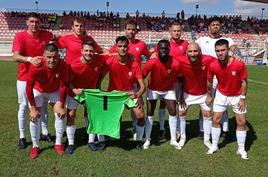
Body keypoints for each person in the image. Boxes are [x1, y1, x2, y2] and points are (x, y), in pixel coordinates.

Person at [12, 12, 53, 149]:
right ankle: (22, 136)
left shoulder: (47, 35)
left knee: (43, 105)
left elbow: (57, 39)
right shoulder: (20, 36)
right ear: (27, 22)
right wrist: (30, 59)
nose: (34, 24)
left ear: (40, 23)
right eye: (31, 21)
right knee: (24, 106)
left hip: (42, 78)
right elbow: (15, 56)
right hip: (24, 77)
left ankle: (44, 132)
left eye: (37, 22)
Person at [196, 16, 238, 139]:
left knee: (222, 104)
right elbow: (191, 48)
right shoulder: (201, 40)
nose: (215, 26)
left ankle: (225, 130)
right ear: (209, 26)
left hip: (222, 77)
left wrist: (235, 52)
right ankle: (202, 129)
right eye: (213, 24)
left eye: (217, 25)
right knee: (205, 104)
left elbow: (233, 48)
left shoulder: (227, 39)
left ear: (220, 27)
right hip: (206, 77)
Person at [206, 39, 248, 160]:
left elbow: (244, 82)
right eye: (217, 51)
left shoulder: (239, 64)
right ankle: (214, 146)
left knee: (241, 121)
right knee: (216, 119)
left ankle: (241, 149)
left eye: (223, 50)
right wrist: (209, 95)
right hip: (221, 95)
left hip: (237, 95)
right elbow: (209, 80)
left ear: (228, 50)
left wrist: (243, 98)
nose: (220, 53)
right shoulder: (213, 65)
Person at [109, 19, 151, 140]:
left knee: (137, 108)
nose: (131, 31)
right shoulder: (119, 44)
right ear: (125, 30)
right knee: (117, 110)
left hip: (135, 82)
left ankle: (135, 130)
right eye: (129, 29)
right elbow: (110, 56)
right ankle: (115, 130)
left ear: (136, 30)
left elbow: (149, 55)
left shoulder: (141, 44)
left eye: (133, 29)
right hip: (119, 83)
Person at [26, 44, 69, 159]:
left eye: (54, 57)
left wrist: (61, 104)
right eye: (49, 57)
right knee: (34, 116)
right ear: (44, 56)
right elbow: (29, 87)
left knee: (60, 114)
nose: (52, 60)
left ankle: (58, 143)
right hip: (38, 90)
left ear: (59, 56)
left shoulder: (63, 65)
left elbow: (64, 86)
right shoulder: (36, 65)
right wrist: (33, 109)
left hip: (53, 91)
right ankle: (35, 146)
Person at [65, 41, 108, 154]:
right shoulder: (74, 64)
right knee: (70, 116)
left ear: (94, 52)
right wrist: (74, 90)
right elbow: (67, 81)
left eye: (91, 51)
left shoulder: (99, 60)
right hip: (75, 93)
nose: (89, 53)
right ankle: (70, 143)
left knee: (91, 116)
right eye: (86, 50)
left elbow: (112, 54)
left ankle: (91, 141)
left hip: (90, 93)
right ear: (81, 51)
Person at [104, 36, 146, 149]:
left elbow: (143, 86)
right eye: (120, 46)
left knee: (140, 115)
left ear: (128, 48)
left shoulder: (135, 64)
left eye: (125, 46)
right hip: (114, 94)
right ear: (116, 48)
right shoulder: (109, 61)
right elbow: (99, 77)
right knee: (109, 117)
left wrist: (137, 94)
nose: (122, 49)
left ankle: (139, 140)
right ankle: (105, 138)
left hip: (129, 94)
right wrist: (100, 92)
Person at [142, 39, 181, 150]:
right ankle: (147, 139)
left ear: (169, 49)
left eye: (165, 48)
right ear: (157, 49)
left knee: (173, 111)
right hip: (153, 89)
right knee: (149, 112)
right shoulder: (152, 62)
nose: (163, 50)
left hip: (169, 90)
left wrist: (180, 94)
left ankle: (173, 140)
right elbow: (142, 76)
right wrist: (139, 91)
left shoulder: (175, 63)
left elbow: (181, 78)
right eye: (161, 48)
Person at [177, 42, 216, 149]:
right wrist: (154, 54)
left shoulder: (207, 59)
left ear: (200, 51)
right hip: (187, 94)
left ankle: (207, 139)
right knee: (181, 114)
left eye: (195, 51)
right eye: (190, 51)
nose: (193, 54)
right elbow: (168, 60)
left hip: (203, 94)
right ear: (186, 53)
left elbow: (222, 60)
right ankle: (183, 138)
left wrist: (234, 56)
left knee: (207, 115)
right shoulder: (180, 60)